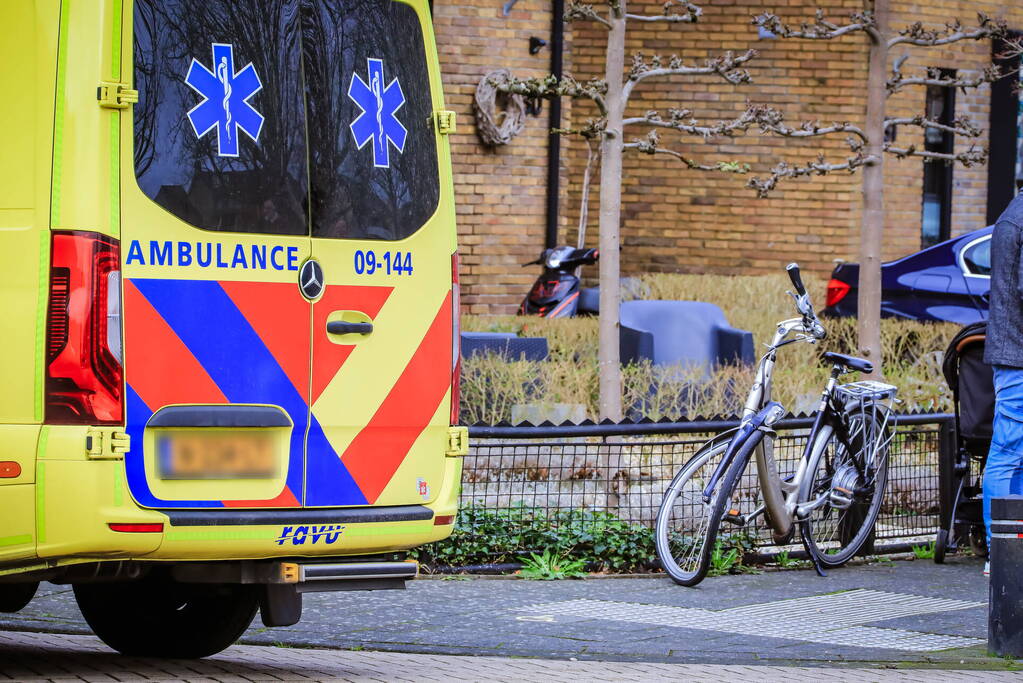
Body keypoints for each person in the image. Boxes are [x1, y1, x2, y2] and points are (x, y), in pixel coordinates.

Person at [983, 190, 1023, 576]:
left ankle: (1009, 553)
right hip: (1018, 357)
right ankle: (1002, 555)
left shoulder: (1013, 213)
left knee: (1012, 454)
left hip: (1012, 354)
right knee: (1009, 452)